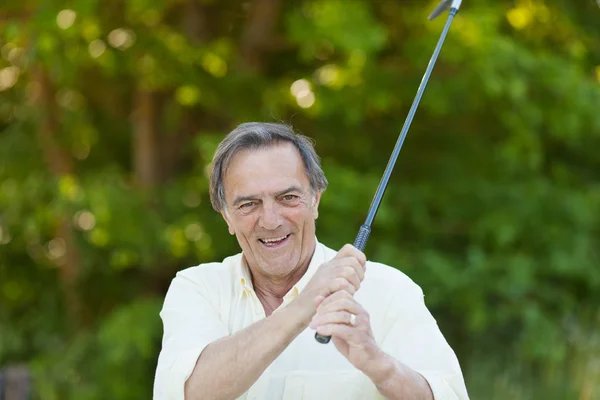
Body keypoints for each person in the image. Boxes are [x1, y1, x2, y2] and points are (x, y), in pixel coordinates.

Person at [153, 122, 470, 400]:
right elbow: (191, 392)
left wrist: (381, 368)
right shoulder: (197, 288)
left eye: (287, 198)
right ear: (227, 217)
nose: (271, 220)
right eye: (249, 204)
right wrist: (305, 304)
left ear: (315, 199)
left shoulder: (389, 290)